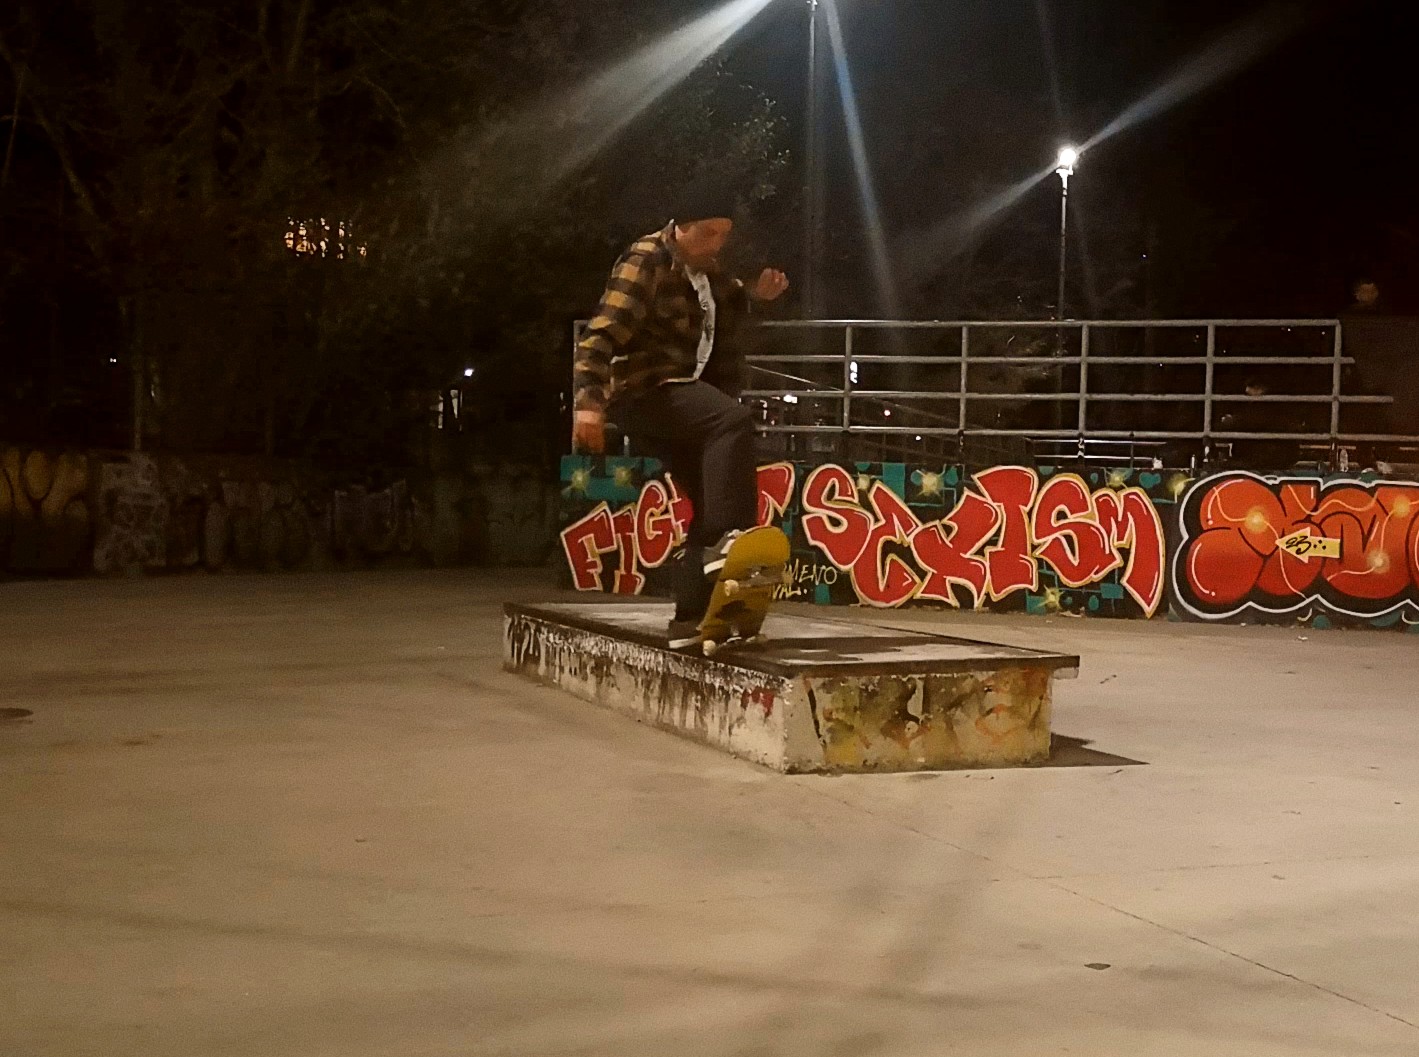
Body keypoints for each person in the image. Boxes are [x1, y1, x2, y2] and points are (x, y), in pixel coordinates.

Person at [572, 191, 790, 648]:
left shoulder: (709, 271)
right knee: (731, 422)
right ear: (679, 227)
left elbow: (731, 304)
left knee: (712, 500)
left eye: (723, 236)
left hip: (687, 398)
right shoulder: (646, 260)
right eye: (707, 234)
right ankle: (728, 540)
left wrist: (757, 295)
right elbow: (600, 335)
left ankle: (691, 620)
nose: (715, 245)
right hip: (648, 392)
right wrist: (588, 404)